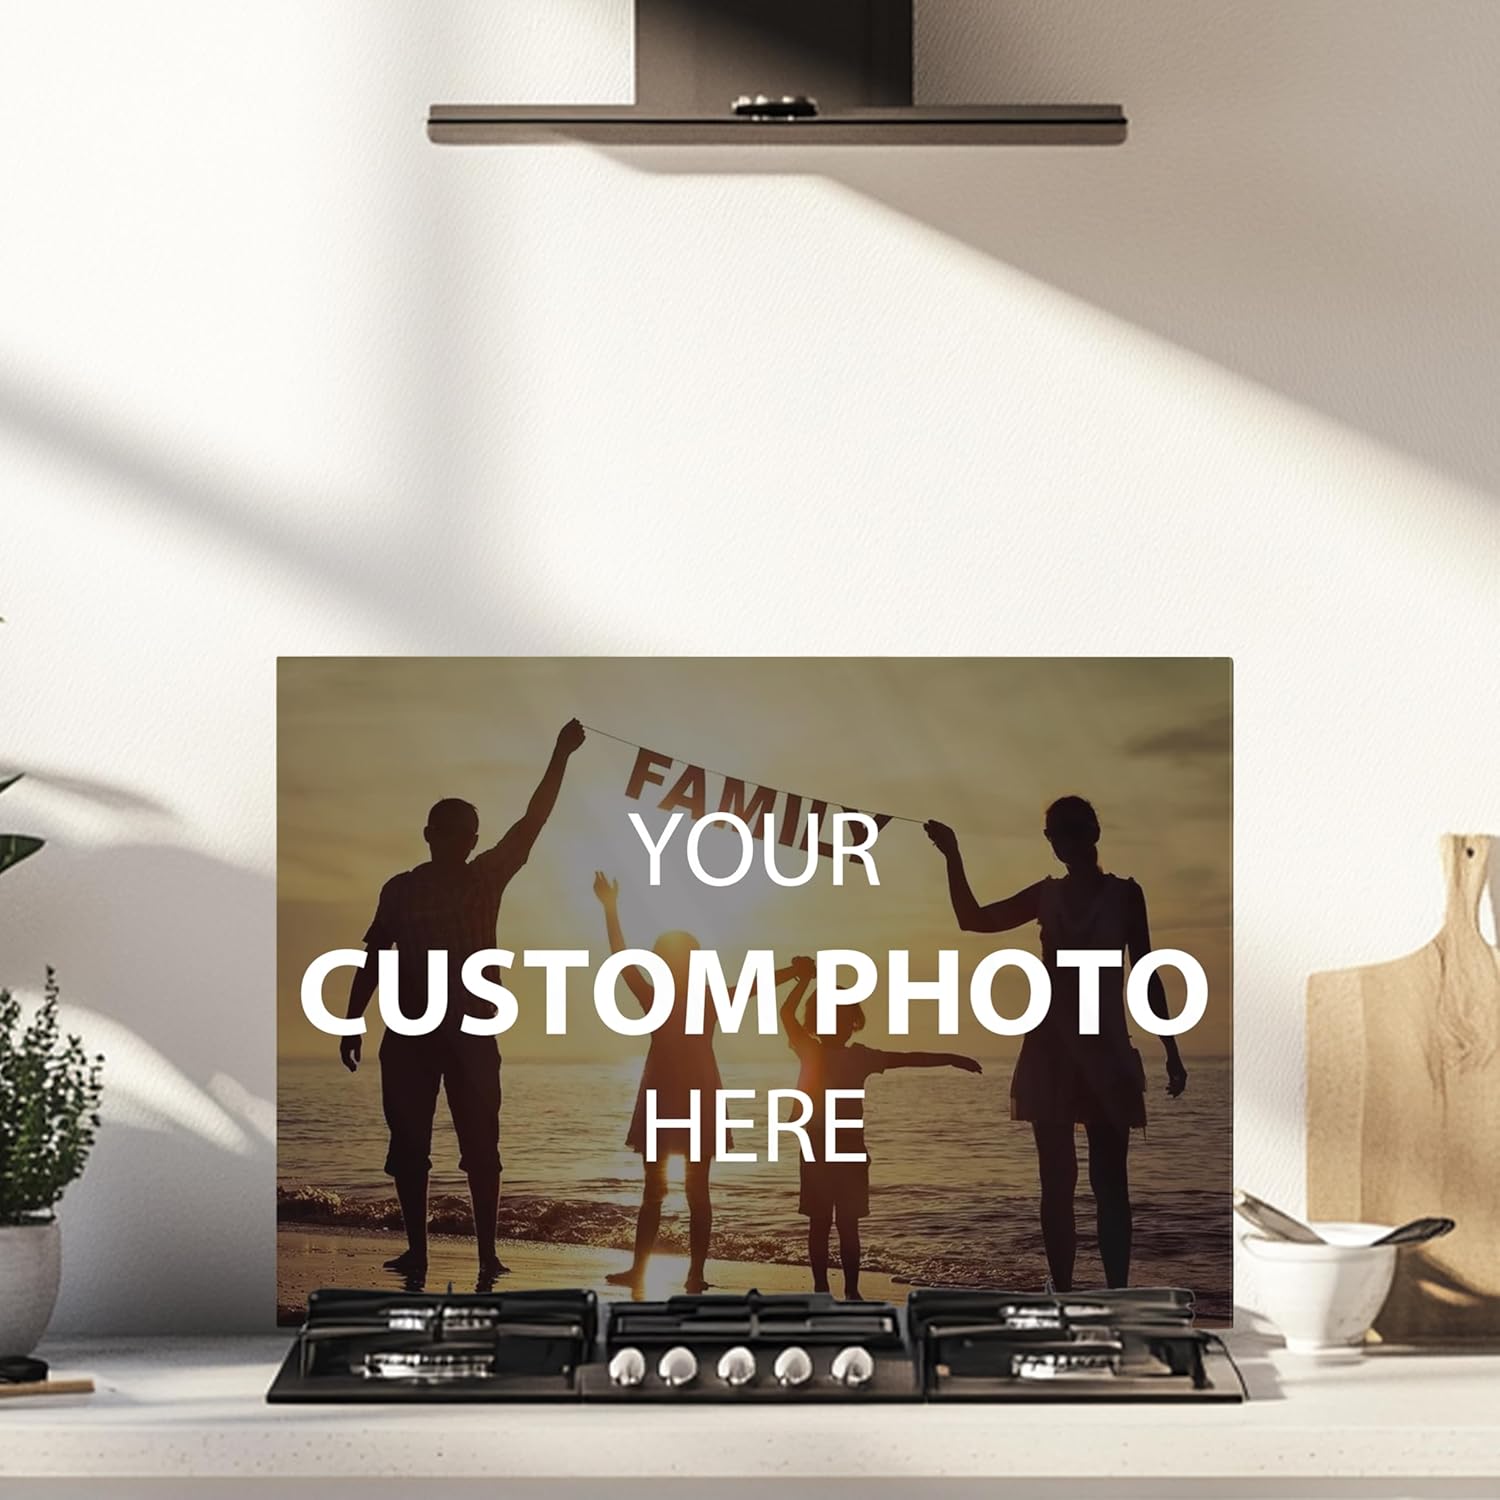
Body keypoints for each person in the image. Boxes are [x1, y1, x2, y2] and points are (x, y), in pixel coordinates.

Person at [340, 718, 586, 1289]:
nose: (457, 840)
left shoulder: (486, 879)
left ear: (474, 839)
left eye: (466, 832)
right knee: (408, 1148)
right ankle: (417, 1252)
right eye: (448, 831)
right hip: (408, 1033)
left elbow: (534, 820)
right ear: (429, 834)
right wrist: (351, 1019)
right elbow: (374, 955)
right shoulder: (399, 889)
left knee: (481, 1146)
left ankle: (487, 1253)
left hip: (473, 1030)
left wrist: (560, 754)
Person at [925, 797, 1188, 1294]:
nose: (1058, 842)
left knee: (1089, 1186)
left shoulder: (1121, 896)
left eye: (1060, 833)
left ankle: (1095, 1293)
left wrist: (1171, 1049)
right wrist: (952, 855)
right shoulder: (1068, 896)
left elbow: (1146, 973)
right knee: (1085, 1186)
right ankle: (1085, 1293)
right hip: (1061, 1051)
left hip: (1096, 1052)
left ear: (1084, 835)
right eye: (1056, 834)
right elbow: (973, 919)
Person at [779, 954, 982, 1301]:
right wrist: (803, 981)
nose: (836, 1022)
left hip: (841, 1149)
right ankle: (827, 1289)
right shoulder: (815, 1050)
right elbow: (786, 1015)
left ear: (852, 1022)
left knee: (838, 1225)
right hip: (824, 1147)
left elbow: (909, 1057)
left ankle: (844, 1289)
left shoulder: (831, 1052)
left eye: (841, 1015)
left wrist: (951, 1057)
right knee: (830, 1224)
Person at [593, 871, 727, 1297]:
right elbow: (621, 958)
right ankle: (663, 1271)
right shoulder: (668, 997)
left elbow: (757, 985)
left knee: (686, 1190)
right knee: (670, 1189)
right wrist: (610, 908)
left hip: (686, 1097)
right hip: (673, 1097)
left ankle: (690, 1272)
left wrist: (611, 907)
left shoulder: (694, 997)